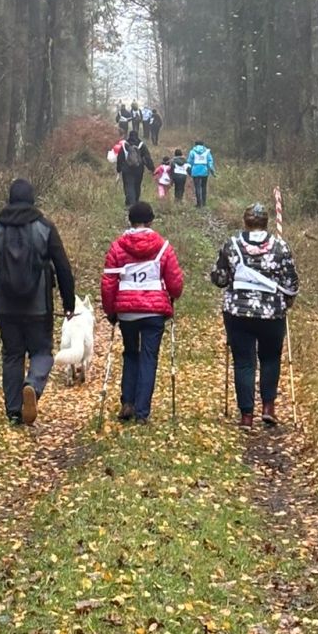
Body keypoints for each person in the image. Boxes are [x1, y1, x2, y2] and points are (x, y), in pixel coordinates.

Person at [0, 178, 76, 427]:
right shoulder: (44, 227)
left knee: (12, 355)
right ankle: (32, 385)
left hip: (4, 306)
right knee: (42, 352)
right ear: (32, 199)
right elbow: (63, 267)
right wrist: (68, 303)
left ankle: (14, 412)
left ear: (10, 199)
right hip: (38, 305)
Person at [210, 203, 299, 432]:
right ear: (266, 222)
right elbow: (291, 282)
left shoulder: (232, 244)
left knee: (244, 362)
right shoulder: (280, 246)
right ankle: (268, 407)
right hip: (272, 313)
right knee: (270, 358)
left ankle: (246, 416)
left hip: (238, 312)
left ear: (245, 221)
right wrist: (288, 300)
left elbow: (219, 278)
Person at [101, 201, 184, 423]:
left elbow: (108, 282)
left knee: (130, 353)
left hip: (127, 313)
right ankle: (142, 412)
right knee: (149, 357)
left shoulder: (117, 247)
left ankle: (127, 402)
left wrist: (110, 311)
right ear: (151, 221)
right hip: (154, 312)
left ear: (130, 221)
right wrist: (174, 294)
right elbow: (175, 282)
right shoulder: (163, 247)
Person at [116, 129, 154, 207]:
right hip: (139, 169)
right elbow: (147, 158)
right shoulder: (141, 145)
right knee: (137, 185)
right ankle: (136, 201)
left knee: (128, 185)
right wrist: (152, 168)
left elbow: (120, 158)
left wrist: (119, 169)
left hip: (127, 169)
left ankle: (130, 203)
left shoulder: (124, 145)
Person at [186, 139, 216, 207]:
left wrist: (189, 171)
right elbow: (210, 162)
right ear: (203, 145)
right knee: (204, 187)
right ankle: (204, 203)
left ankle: (199, 204)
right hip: (204, 171)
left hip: (195, 171)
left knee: (197, 187)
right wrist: (212, 171)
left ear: (195, 145)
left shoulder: (192, 152)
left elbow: (189, 162)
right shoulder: (207, 152)